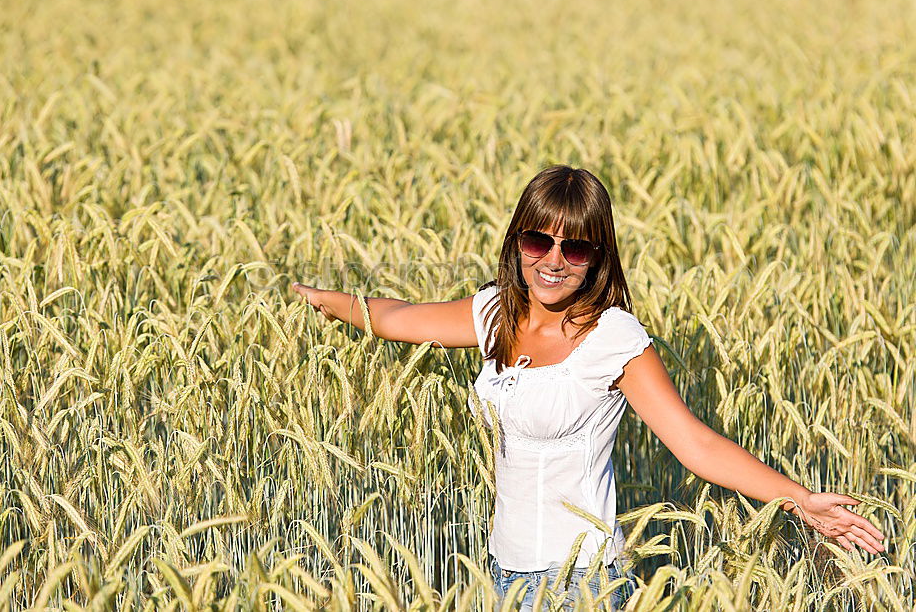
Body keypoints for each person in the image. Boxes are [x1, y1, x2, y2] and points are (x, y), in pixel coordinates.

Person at [292, 165, 887, 610]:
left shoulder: (613, 337)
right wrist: (320, 301)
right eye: (537, 241)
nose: (553, 260)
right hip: (502, 574)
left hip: (583, 584)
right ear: (516, 243)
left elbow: (696, 445)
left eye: (574, 246)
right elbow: (398, 318)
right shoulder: (497, 311)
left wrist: (801, 500)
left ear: (597, 256)